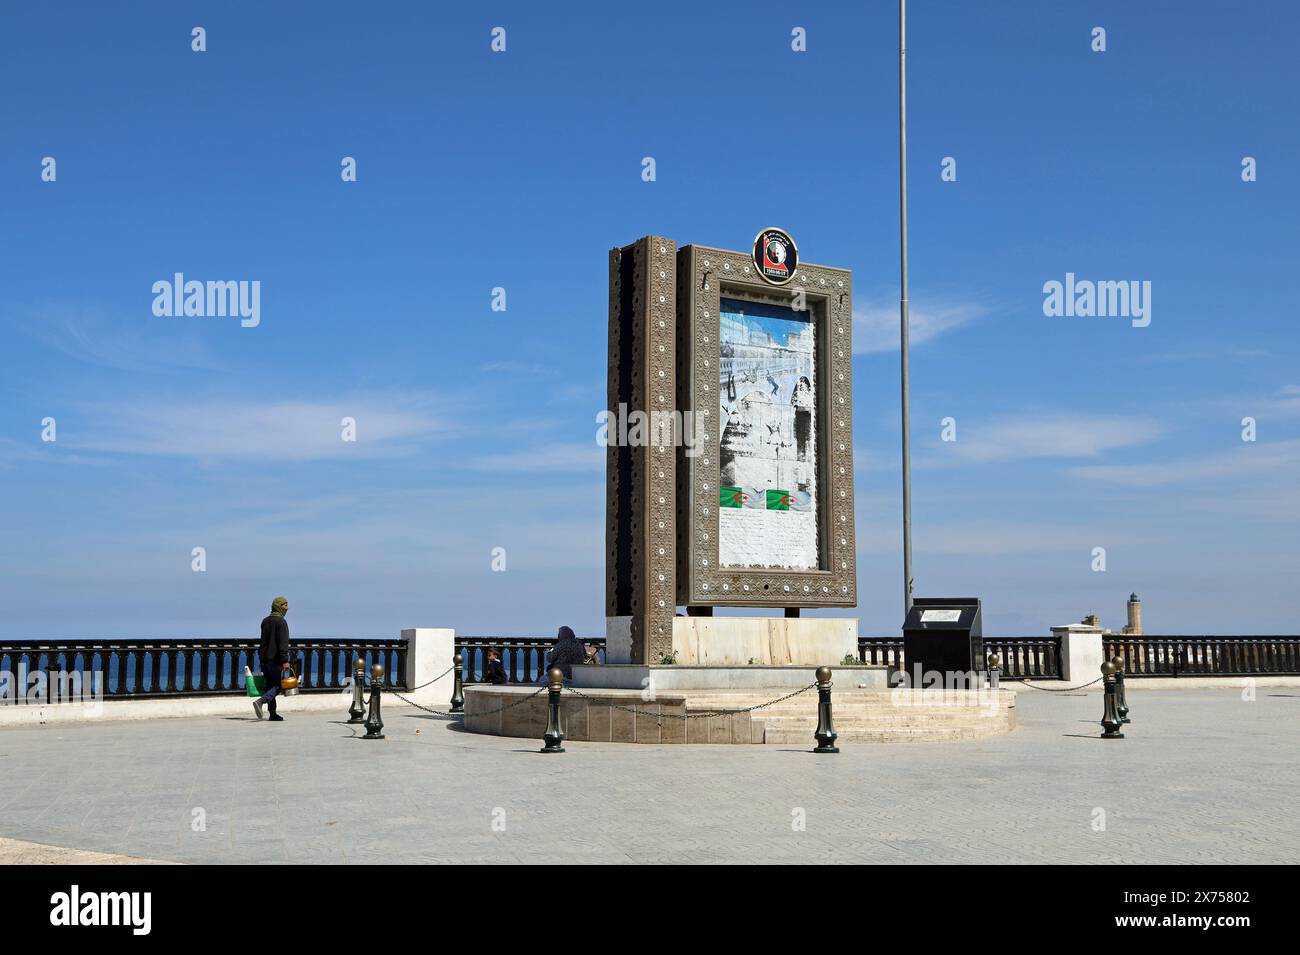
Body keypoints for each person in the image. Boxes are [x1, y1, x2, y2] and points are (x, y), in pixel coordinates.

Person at [253, 596, 291, 721]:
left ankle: (272, 713)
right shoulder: (281, 622)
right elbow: (283, 643)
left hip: (265, 660)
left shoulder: (265, 621)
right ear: (279, 606)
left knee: (270, 685)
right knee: (281, 685)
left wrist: (261, 659)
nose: (287, 608)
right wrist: (285, 661)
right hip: (277, 661)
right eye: (285, 605)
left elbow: (263, 642)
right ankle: (261, 701)